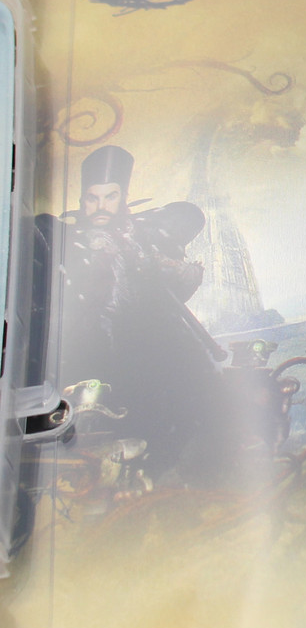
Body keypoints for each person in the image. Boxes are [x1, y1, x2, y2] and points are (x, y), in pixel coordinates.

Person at [42, 145, 239, 482]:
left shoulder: (140, 236)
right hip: (96, 350)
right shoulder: (69, 238)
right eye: (92, 198)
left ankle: (189, 470)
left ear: (123, 197)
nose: (100, 206)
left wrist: (158, 263)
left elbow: (188, 217)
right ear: (82, 200)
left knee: (196, 392)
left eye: (110, 197)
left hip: (155, 343)